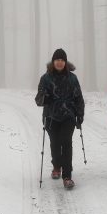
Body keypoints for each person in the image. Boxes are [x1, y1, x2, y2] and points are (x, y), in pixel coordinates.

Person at [35, 48, 85, 189]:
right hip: (51, 116)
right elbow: (38, 99)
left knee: (66, 142)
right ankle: (56, 166)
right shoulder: (46, 78)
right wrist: (45, 97)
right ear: (53, 61)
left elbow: (79, 98)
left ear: (65, 62)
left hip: (68, 116)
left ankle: (67, 176)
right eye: (57, 60)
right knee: (55, 144)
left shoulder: (72, 78)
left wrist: (80, 114)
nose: (60, 62)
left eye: (62, 60)